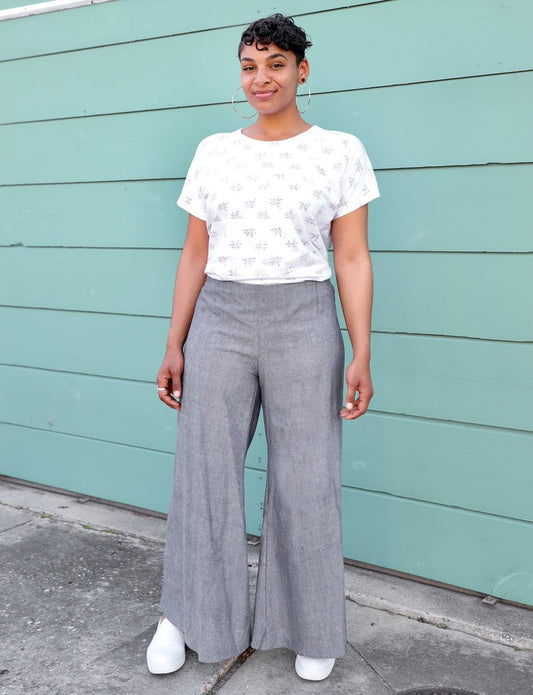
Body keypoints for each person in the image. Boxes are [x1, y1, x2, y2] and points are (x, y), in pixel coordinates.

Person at [146, 13, 380, 683]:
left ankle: (311, 626)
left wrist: (361, 350)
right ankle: (184, 615)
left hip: (302, 316)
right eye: (249, 66)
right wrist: (175, 341)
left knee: (307, 477)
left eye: (276, 64)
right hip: (220, 316)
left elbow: (351, 256)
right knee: (203, 470)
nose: (261, 78)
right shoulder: (214, 151)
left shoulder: (339, 151)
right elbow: (195, 253)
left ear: (302, 70)